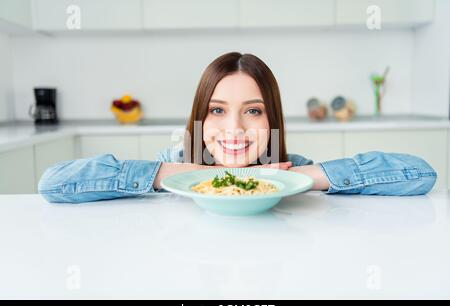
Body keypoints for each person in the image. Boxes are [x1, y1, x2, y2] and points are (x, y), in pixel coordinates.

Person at [38, 52, 437, 203]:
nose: (234, 130)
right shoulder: (171, 167)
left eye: (252, 111)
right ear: (199, 118)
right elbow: (53, 184)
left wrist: (300, 178)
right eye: (216, 111)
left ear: (271, 120)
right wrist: (179, 176)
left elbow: (420, 174)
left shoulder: (292, 170)